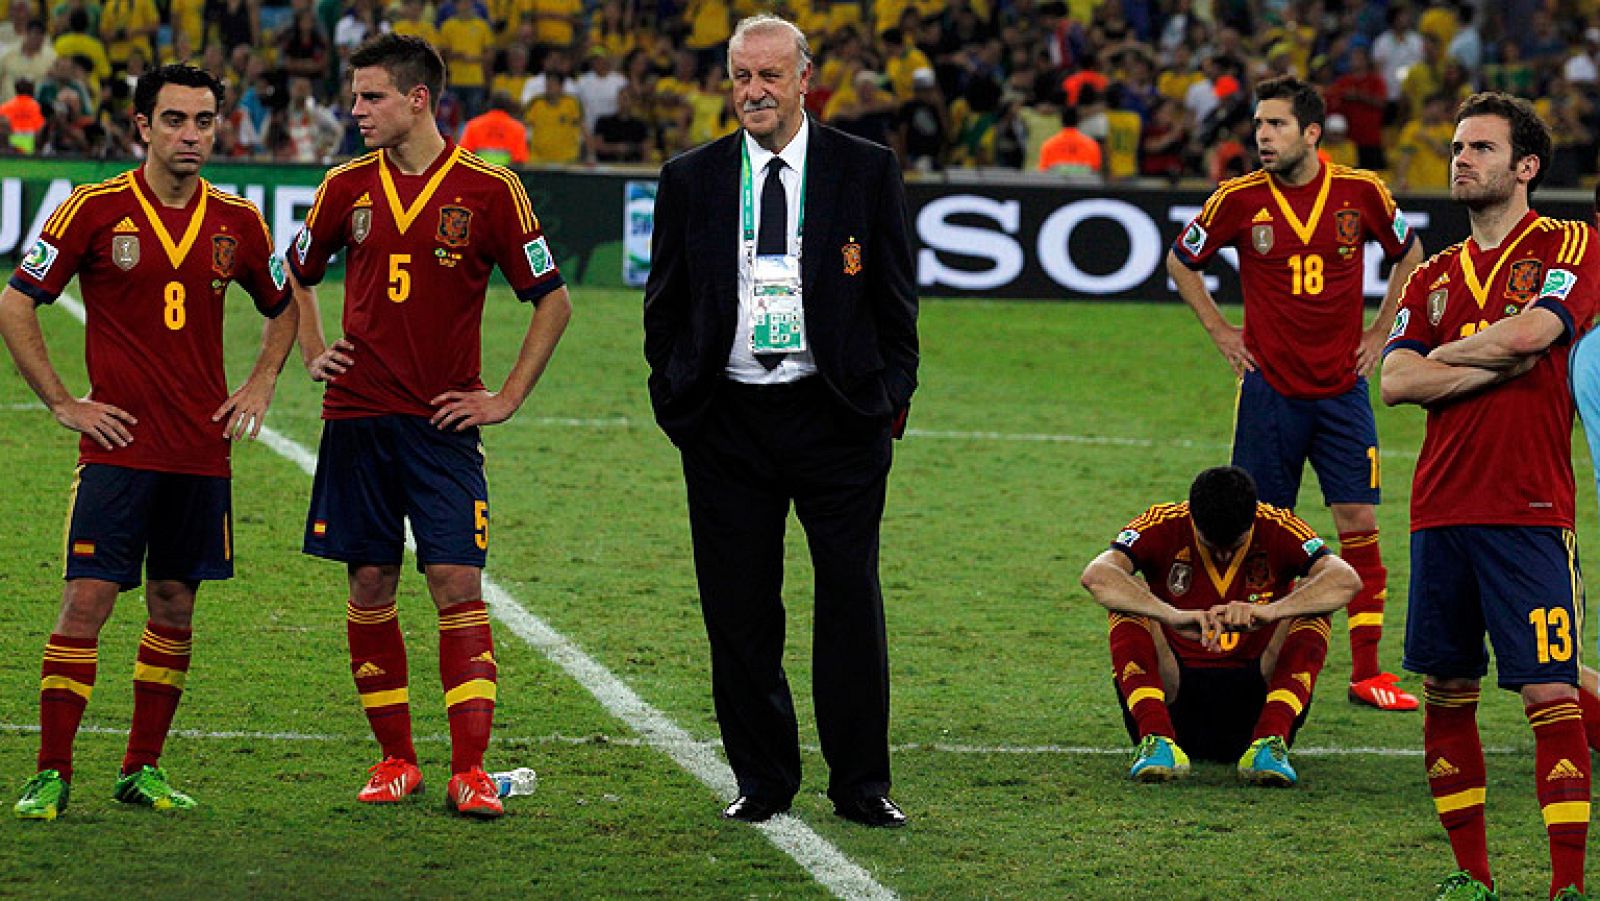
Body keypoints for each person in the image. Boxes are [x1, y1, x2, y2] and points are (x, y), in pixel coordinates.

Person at [0, 63, 297, 820]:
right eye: (174, 120)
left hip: (201, 452)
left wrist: (262, 381)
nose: (190, 135)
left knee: (173, 605)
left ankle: (142, 768)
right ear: (142, 126)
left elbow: (283, 304)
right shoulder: (92, 210)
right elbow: (18, 303)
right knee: (86, 602)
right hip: (117, 448)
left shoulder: (239, 220)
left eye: (203, 121)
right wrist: (65, 401)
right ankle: (51, 771)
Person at [642, 13, 918, 828]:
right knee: (738, 609)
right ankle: (762, 779)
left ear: (805, 79)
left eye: (768, 76)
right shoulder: (689, 176)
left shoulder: (864, 170)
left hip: (836, 421)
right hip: (727, 423)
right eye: (740, 77)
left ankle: (862, 782)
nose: (753, 92)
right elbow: (665, 306)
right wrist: (679, 400)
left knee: (849, 603)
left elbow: (897, 299)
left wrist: (887, 401)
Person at [287, 34, 571, 820]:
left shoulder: (488, 190)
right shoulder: (345, 185)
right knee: (369, 581)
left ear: (419, 99)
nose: (355, 111)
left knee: (456, 582)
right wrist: (314, 350)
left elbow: (553, 299)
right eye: (354, 96)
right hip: (357, 419)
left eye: (370, 97)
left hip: (443, 424)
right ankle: (396, 759)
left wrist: (505, 397)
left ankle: (471, 770)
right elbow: (298, 272)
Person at [1381, 92, 1594, 901]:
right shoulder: (1431, 274)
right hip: (1439, 513)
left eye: (1480, 148)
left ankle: (1567, 886)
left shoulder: (1569, 242)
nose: (1460, 158)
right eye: (1458, 148)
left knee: (1550, 689)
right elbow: (1395, 381)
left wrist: (1450, 357)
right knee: (1445, 692)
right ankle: (1472, 877)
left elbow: (1538, 333)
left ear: (1526, 166)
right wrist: (1492, 357)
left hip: (1531, 511)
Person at [1167, 76, 1425, 712]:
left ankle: (1368, 673)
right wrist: (1222, 329)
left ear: (1312, 133)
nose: (1262, 136)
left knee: (1358, 523)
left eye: (1276, 125)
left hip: (1341, 391)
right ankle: (1254, 661)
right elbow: (1181, 261)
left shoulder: (1360, 192)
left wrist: (1381, 331)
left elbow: (1410, 252)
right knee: (1261, 532)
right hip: (1270, 393)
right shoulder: (1238, 197)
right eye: (1258, 125)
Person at [1081, 466, 1358, 785]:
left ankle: (1270, 742)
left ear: (1253, 519)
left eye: (1235, 544)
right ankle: (1155, 739)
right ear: (1192, 518)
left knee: (1313, 602)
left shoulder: (1278, 525)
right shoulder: (1163, 523)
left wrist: (1270, 612)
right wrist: (1171, 615)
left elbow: (1346, 580)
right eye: (1212, 544)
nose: (1224, 553)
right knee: (1128, 596)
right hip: (1174, 700)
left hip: (1256, 705)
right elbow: (1096, 576)